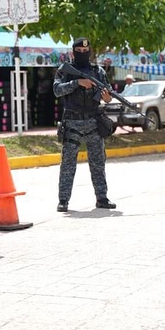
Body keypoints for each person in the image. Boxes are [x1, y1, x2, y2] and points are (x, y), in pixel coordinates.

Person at [54, 37, 116, 212]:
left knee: (98, 161)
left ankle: (102, 198)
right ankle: (63, 200)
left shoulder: (98, 71)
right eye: (79, 51)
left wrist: (107, 98)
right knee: (68, 163)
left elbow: (108, 94)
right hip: (72, 122)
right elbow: (57, 90)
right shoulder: (65, 70)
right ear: (73, 52)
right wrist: (77, 83)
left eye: (85, 52)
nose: (82, 54)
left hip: (93, 122)